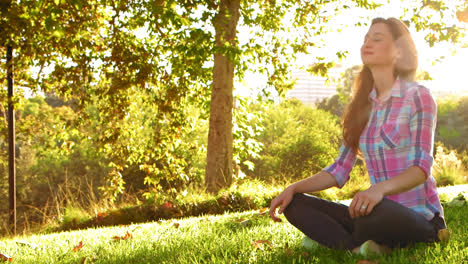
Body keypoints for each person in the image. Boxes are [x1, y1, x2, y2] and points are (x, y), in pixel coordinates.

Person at [268, 17, 448, 255]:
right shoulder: (361, 107)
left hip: (419, 219)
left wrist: (379, 189)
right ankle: (360, 248)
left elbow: (421, 168)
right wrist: (292, 188)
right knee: (295, 204)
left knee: (372, 214)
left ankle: (340, 241)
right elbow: (339, 169)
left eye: (377, 38)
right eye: (366, 38)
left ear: (398, 51)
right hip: (375, 211)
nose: (367, 43)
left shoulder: (418, 96)